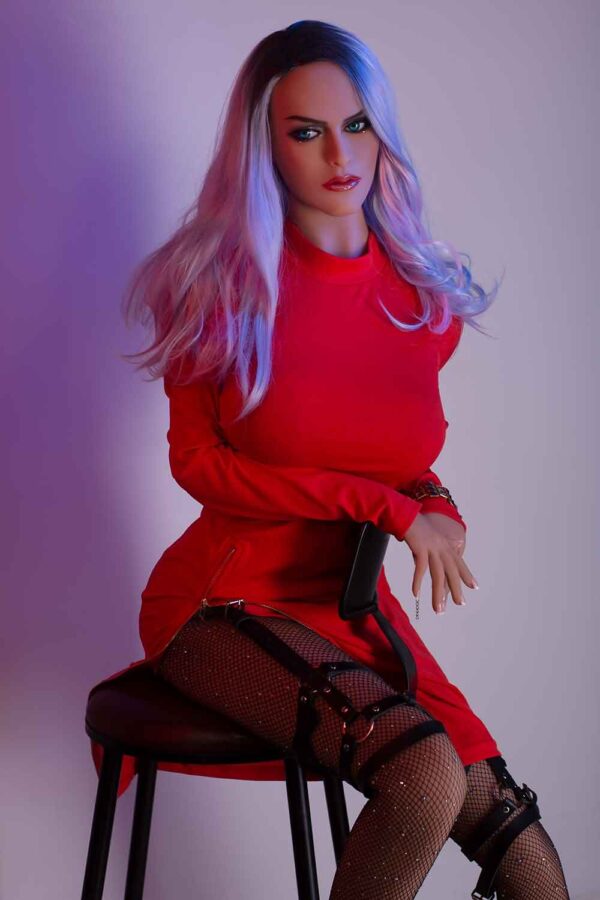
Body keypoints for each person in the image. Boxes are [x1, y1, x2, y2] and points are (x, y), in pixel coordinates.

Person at [117, 19, 570, 899]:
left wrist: (435, 509)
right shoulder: (218, 292)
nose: (339, 154)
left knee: (522, 849)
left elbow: (398, 466)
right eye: (306, 132)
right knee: (425, 777)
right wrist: (388, 510)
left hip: (350, 610)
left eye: (356, 124)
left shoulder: (420, 301)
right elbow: (200, 467)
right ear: (265, 149)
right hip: (220, 604)